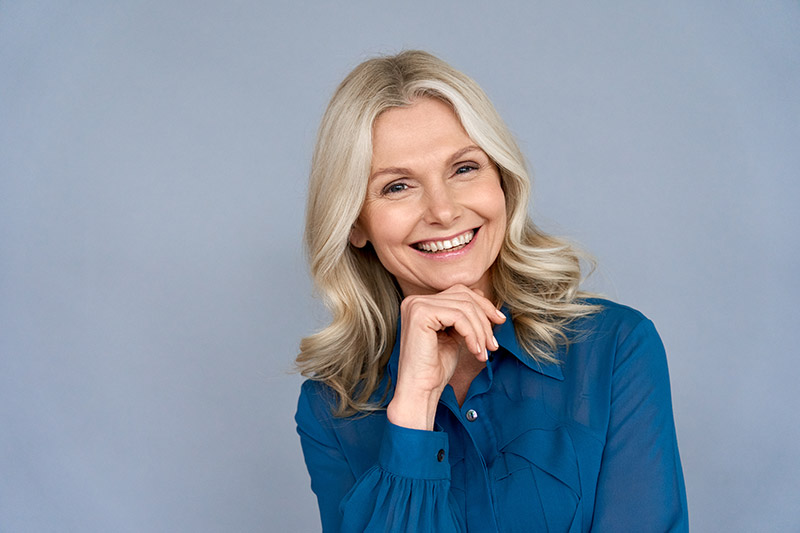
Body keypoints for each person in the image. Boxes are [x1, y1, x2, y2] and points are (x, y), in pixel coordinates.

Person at [295, 50, 688, 532]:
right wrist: (414, 406)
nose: (442, 210)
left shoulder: (614, 348)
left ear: (502, 181)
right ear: (355, 223)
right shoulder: (331, 408)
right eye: (397, 186)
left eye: (464, 168)